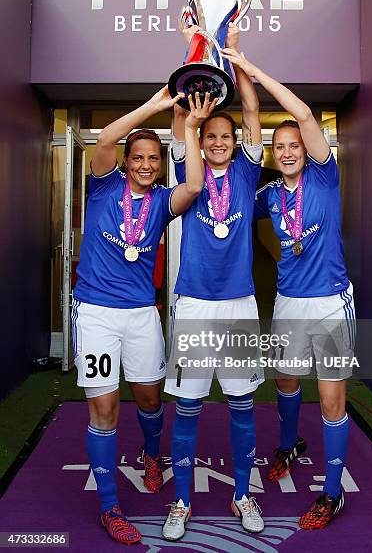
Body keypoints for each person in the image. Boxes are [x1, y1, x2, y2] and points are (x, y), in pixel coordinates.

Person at [72, 86, 217, 545]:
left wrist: (189, 129)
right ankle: (111, 506)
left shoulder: (160, 202)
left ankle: (152, 454)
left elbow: (194, 186)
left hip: (140, 315)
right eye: (138, 157)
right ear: (128, 160)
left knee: (151, 399)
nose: (146, 165)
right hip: (95, 312)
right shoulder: (105, 185)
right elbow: (102, 143)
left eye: (154, 158)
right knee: (105, 407)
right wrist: (154, 107)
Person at [222, 47, 355, 529]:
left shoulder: (324, 174)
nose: (287, 151)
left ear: (307, 147)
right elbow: (227, 211)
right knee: (285, 381)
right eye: (279, 147)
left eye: (293, 144)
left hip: (330, 302)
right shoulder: (271, 194)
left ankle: (334, 493)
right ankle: (289, 442)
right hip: (288, 301)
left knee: (332, 398)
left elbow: (299, 111)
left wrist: (254, 70)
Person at [162, 24, 265, 542]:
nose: (220, 142)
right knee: (188, 406)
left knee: (243, 405)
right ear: (201, 142)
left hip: (240, 304)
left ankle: (241, 492)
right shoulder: (190, 171)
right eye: (212, 137)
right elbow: (180, 111)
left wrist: (239, 61)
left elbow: (250, 114)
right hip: (194, 304)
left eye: (226, 137)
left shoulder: (247, 173)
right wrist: (194, 52)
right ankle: (181, 500)